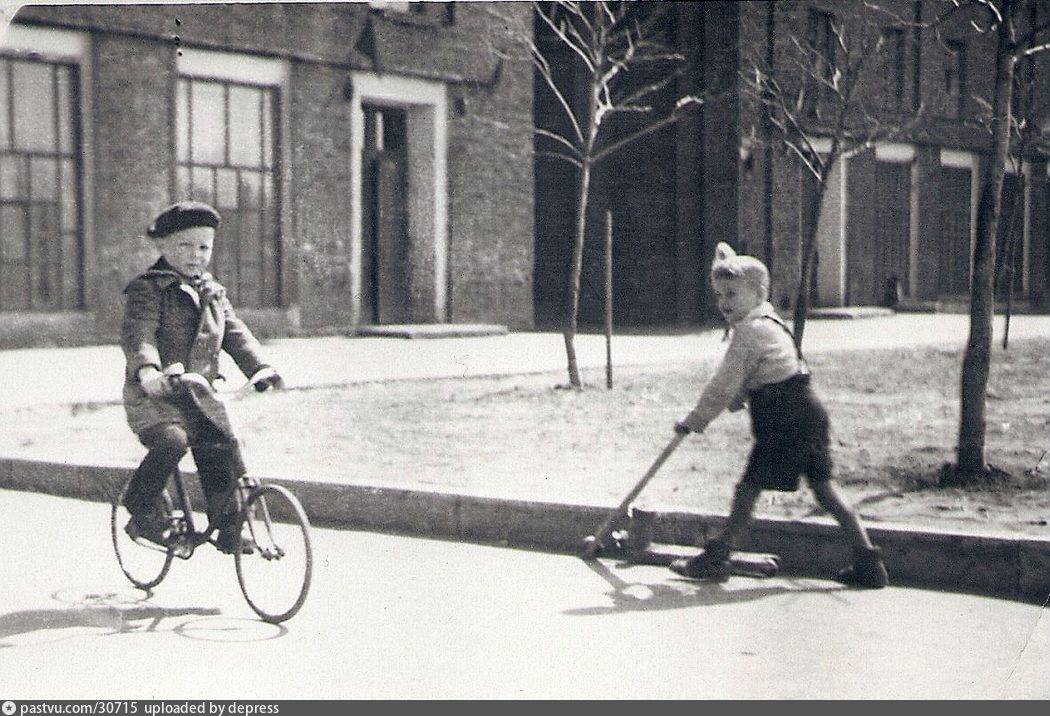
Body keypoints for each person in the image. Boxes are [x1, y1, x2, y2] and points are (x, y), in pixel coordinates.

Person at [669, 242, 888, 588]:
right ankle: (868, 562)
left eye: (732, 294)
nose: (723, 303)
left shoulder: (750, 331)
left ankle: (717, 556)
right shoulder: (769, 322)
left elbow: (723, 383)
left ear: (757, 294)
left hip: (784, 422)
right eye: (720, 295)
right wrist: (741, 396)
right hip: (807, 414)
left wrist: (695, 420)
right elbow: (760, 373)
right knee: (825, 488)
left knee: (749, 489)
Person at [120, 201, 283, 555]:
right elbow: (140, 334)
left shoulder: (213, 292)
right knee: (173, 442)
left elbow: (235, 334)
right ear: (163, 246)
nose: (195, 256)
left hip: (199, 395)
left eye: (203, 247)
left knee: (220, 446)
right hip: (156, 397)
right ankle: (142, 509)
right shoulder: (148, 289)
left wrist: (260, 368)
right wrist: (148, 370)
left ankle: (228, 528)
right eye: (185, 246)